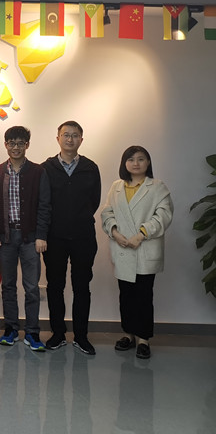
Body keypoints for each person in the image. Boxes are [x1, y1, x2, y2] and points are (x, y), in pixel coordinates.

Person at [101, 146, 173, 359]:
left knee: (143, 296)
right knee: (126, 295)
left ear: (148, 163)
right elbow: (107, 212)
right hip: (123, 247)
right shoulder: (116, 186)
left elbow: (164, 215)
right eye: (131, 159)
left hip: (145, 247)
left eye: (141, 159)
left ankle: (143, 339)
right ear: (124, 163)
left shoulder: (157, 187)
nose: (136, 163)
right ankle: (128, 334)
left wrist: (141, 234)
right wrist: (115, 232)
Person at [0, 125, 50, 352]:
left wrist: (41, 235)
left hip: (30, 238)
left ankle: (32, 332)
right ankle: (11, 329)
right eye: (11, 143)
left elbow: (44, 206)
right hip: (5, 238)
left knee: (32, 287)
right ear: (5, 145)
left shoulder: (38, 172)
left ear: (27, 145)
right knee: (8, 286)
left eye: (20, 143)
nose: (16, 147)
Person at [42, 121, 101, 355]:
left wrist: (77, 219)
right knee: (55, 286)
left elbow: (94, 201)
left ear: (81, 140)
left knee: (82, 286)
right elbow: (43, 202)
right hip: (54, 237)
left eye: (75, 135)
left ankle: (81, 336)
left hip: (83, 236)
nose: (70, 139)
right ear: (58, 138)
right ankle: (58, 333)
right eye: (66, 135)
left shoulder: (90, 167)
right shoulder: (46, 168)